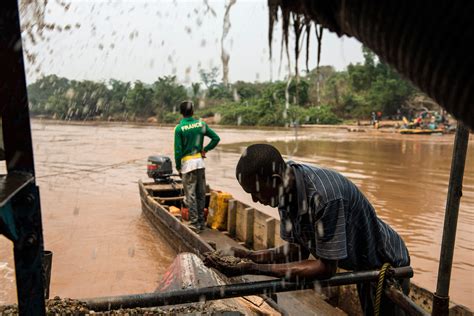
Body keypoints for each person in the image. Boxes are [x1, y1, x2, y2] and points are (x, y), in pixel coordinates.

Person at [207, 144, 410, 315]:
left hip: (386, 261)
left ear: (276, 180)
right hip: (362, 265)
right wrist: (251, 256)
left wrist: (253, 268)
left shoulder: (325, 198)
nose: (254, 200)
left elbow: (325, 268)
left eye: (255, 193)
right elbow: (298, 250)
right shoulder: (285, 190)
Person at [174, 101, 220, 233]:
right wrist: (205, 149)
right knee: (200, 193)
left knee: (191, 195)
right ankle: (201, 222)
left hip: (188, 166)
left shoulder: (179, 129)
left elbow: (178, 151)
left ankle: (194, 224)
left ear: (181, 113)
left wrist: (178, 167)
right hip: (200, 163)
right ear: (193, 111)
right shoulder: (201, 124)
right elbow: (216, 138)